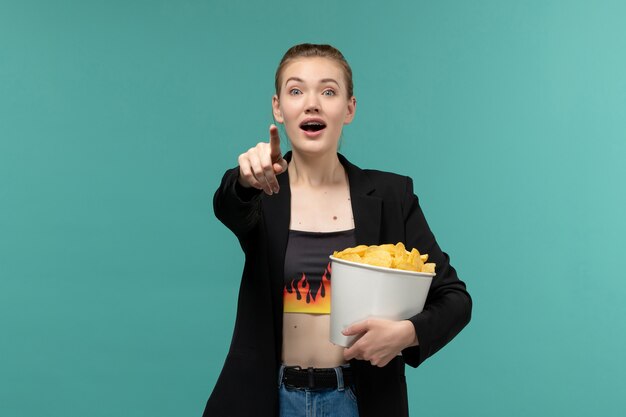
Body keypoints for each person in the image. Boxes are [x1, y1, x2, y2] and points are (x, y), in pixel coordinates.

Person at [202, 43, 472, 417]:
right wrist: (246, 180)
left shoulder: (392, 196)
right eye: (296, 91)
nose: (312, 103)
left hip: (358, 401)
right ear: (278, 107)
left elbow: (455, 299)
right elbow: (229, 204)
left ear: (349, 109)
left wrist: (405, 335)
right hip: (268, 400)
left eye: (328, 91)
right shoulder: (260, 190)